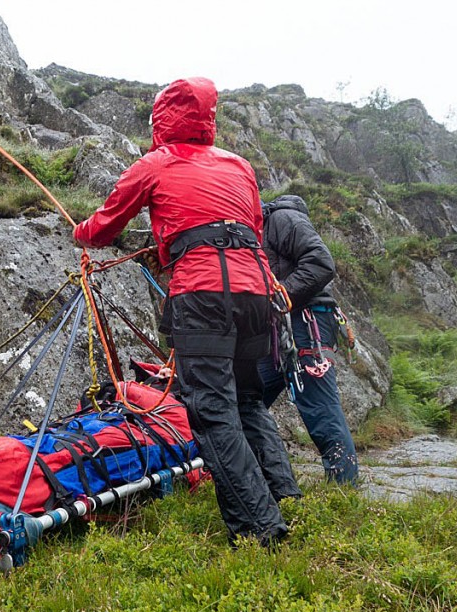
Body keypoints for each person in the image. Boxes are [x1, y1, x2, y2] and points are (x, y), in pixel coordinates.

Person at [73, 77, 299, 547]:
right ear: (208, 118)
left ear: (162, 118)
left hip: (202, 292)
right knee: (248, 399)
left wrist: (80, 232)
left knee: (212, 412)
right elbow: (253, 225)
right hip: (256, 291)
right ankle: (286, 495)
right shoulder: (239, 165)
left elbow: (104, 226)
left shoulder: (154, 164)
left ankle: (262, 528)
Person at [258, 195, 359, 484]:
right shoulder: (257, 229)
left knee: (319, 407)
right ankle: (253, 477)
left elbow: (320, 262)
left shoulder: (282, 219)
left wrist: (277, 298)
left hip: (304, 321)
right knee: (246, 401)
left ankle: (344, 490)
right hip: (277, 328)